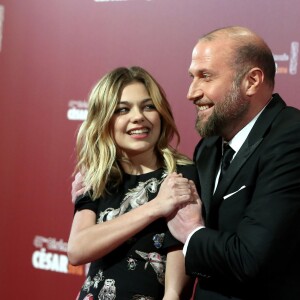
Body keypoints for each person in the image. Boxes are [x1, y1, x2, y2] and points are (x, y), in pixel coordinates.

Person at [167, 26, 300, 299]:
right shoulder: (208, 146)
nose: (192, 92)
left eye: (205, 77)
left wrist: (193, 233)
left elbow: (250, 258)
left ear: (251, 80)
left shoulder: (292, 138)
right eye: (192, 77)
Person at [67, 66, 198, 300]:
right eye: (123, 110)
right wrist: (156, 207)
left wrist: (172, 294)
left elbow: (182, 244)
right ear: (104, 120)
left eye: (148, 106)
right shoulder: (97, 176)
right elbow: (77, 250)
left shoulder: (180, 174)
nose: (138, 116)